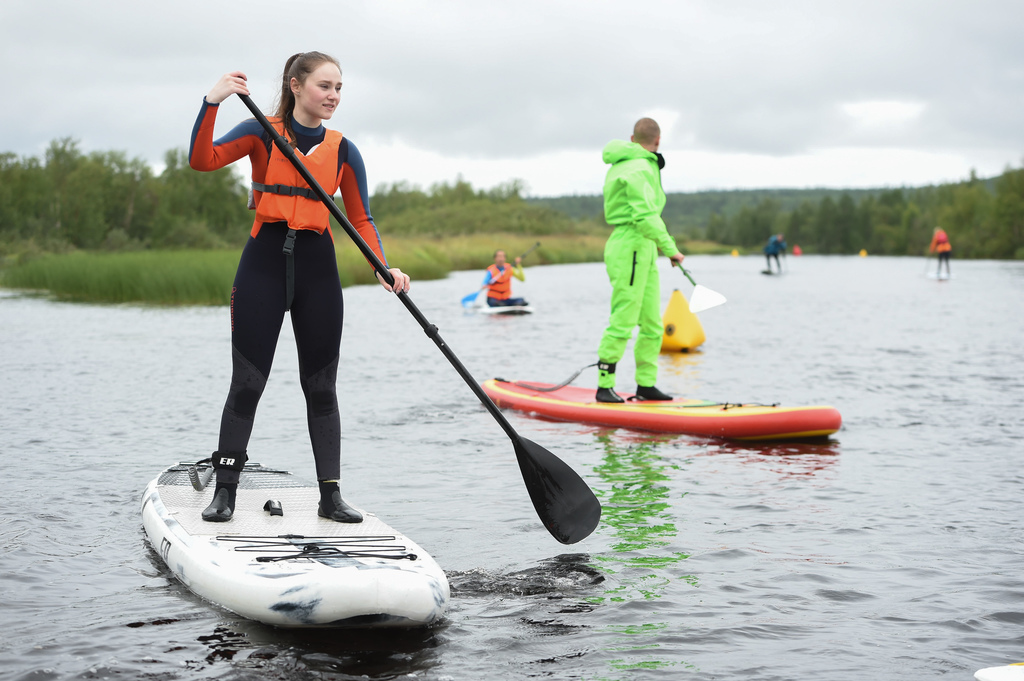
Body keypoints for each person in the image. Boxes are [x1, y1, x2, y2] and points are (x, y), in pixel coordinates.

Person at [188, 52, 410, 524]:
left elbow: (362, 217)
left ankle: (330, 496)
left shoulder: (344, 150)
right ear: (295, 85)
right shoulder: (260, 131)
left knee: (321, 386)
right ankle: (225, 490)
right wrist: (213, 101)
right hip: (263, 266)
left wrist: (382, 267)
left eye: (339, 89)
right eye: (324, 86)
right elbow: (201, 160)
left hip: (318, 270)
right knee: (248, 382)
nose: (332, 96)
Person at [596, 118, 685, 403]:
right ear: (657, 141)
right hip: (631, 245)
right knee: (624, 317)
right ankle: (604, 385)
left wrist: (659, 246)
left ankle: (646, 384)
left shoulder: (630, 163)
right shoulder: (638, 167)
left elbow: (647, 218)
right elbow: (645, 216)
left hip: (643, 246)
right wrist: (670, 248)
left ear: (633, 138)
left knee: (652, 323)